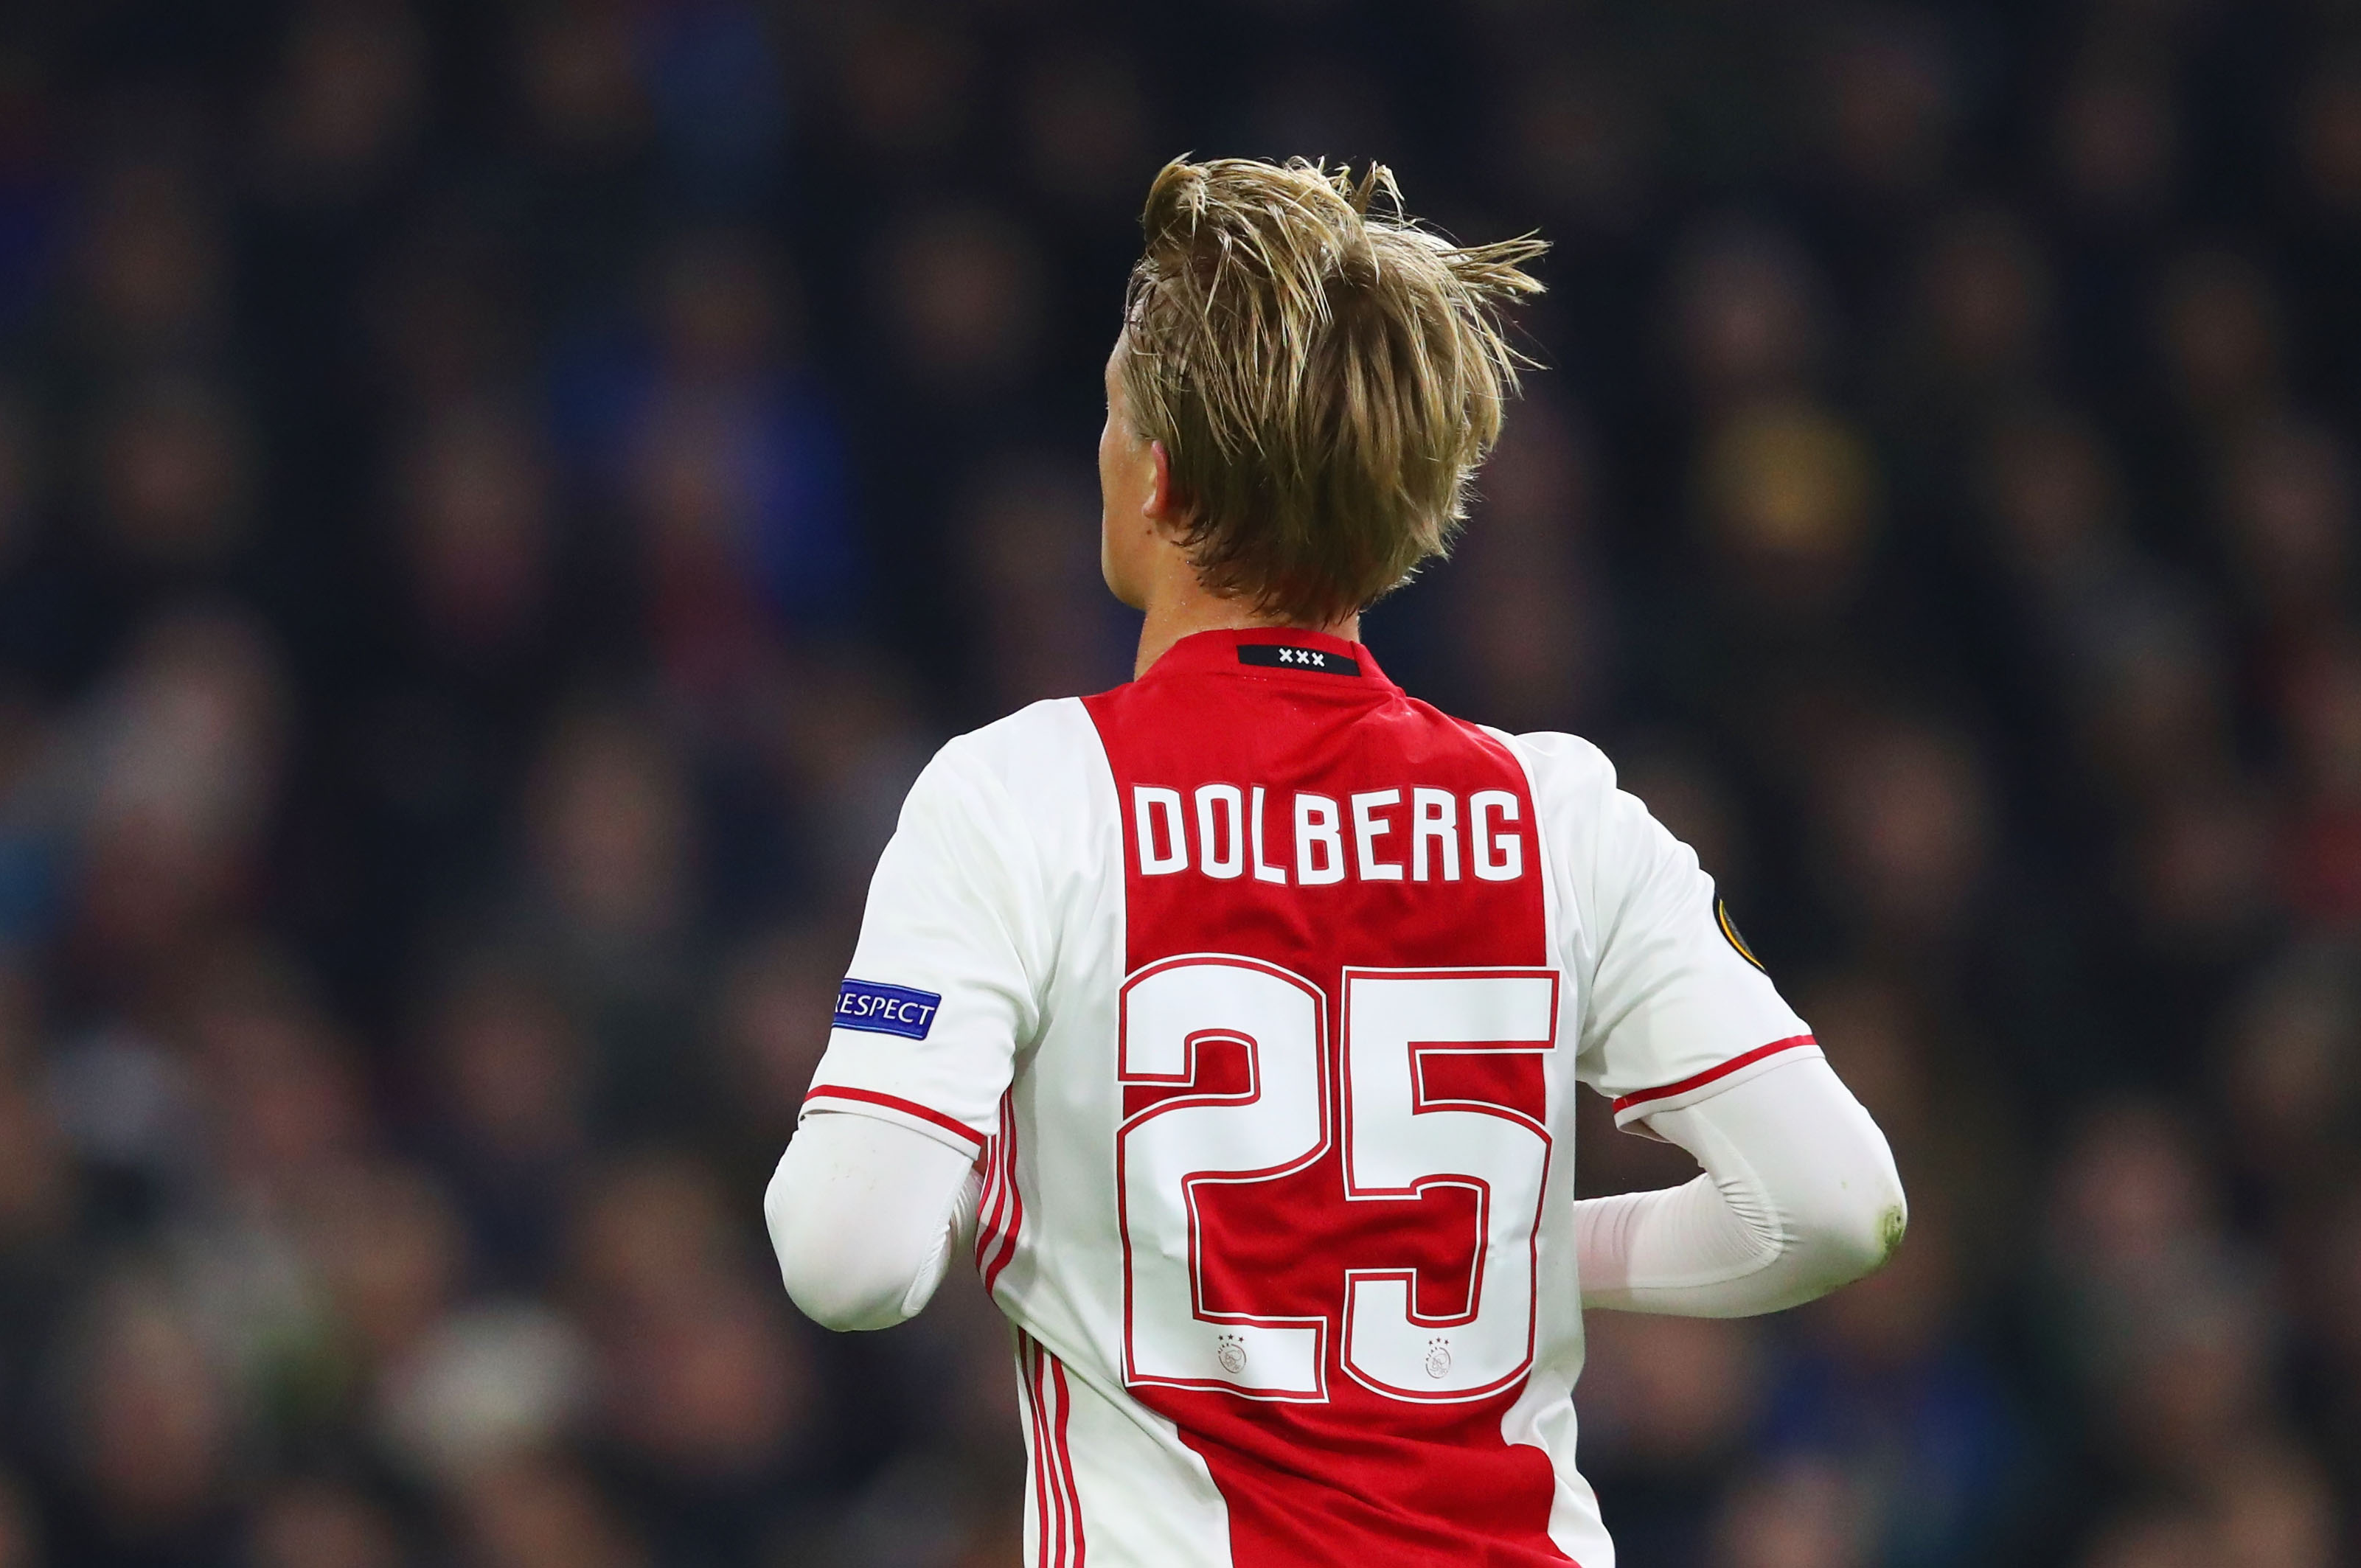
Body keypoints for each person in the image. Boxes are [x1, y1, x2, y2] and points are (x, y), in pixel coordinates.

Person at [765, 156, 1905, 1568]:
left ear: (1156, 476)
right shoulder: (1561, 812)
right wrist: (1535, 1253)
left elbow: (848, 1257)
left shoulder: (1023, 793)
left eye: (1115, 413)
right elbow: (1836, 1207)